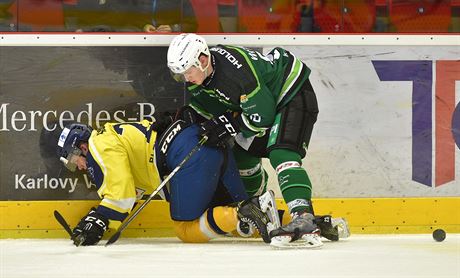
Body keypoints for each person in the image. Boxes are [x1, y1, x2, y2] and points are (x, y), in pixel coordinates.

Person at [167, 33, 330, 248]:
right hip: (264, 103)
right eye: (180, 74)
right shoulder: (200, 77)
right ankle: (260, 212)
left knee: (282, 152)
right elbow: (215, 106)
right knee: (242, 157)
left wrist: (232, 125)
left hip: (291, 91)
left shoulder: (236, 73)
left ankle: (303, 216)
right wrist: (192, 115)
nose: (186, 78)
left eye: (188, 71)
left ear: (203, 60)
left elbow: (262, 116)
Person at [56, 119, 280, 246]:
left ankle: (249, 211)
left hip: (188, 156)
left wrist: (99, 218)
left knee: (186, 230)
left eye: (75, 161)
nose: (81, 167)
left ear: (81, 147)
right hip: (207, 144)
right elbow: (131, 194)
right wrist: (102, 223)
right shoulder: (112, 135)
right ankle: (272, 219)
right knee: (230, 213)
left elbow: (121, 197)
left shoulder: (98, 146)